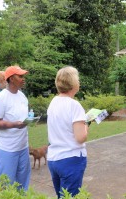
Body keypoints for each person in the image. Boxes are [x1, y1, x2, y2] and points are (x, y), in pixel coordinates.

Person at [47, 66, 88, 198]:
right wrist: (86, 124)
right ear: (73, 83)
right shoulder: (74, 105)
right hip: (71, 159)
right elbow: (80, 137)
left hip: (54, 158)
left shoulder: (53, 102)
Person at [0, 66, 31, 190]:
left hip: (23, 147)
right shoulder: (1, 98)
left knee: (22, 185)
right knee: (4, 186)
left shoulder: (22, 96)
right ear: (11, 79)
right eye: (20, 76)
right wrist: (13, 124)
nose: (23, 79)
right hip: (7, 149)